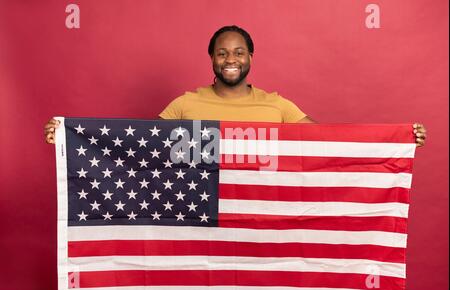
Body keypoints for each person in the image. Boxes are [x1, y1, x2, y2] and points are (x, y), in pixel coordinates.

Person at [44, 25, 427, 146]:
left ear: (250, 58)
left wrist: (396, 139)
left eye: (239, 52)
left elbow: (326, 139)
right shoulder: (184, 104)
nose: (231, 60)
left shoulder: (277, 105)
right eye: (223, 53)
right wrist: (70, 138)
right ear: (211, 58)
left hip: (262, 215)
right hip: (195, 214)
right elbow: (139, 142)